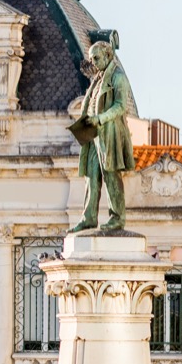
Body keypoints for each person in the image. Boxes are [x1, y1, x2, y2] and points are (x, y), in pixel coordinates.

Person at [68, 39, 136, 232]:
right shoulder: (98, 78)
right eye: (91, 59)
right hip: (93, 134)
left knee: (111, 174)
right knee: (91, 175)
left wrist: (101, 118)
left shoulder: (118, 77)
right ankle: (89, 217)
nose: (93, 62)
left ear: (108, 55)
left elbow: (121, 105)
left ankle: (117, 218)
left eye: (96, 58)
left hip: (109, 133)